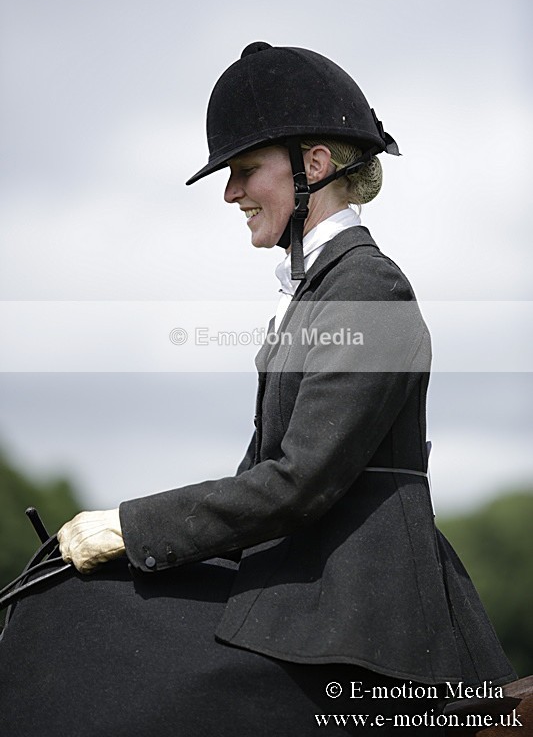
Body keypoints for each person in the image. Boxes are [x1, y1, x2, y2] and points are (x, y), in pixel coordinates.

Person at [0, 42, 516, 736]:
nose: (230, 193)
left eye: (245, 171)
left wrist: (131, 526)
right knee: (79, 607)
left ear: (313, 164)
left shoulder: (368, 286)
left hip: (359, 612)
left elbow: (300, 480)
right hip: (302, 589)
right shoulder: (315, 293)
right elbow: (259, 477)